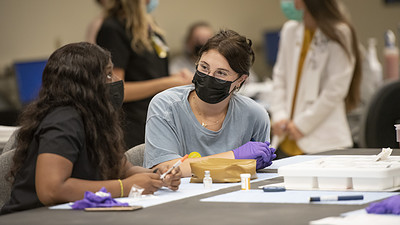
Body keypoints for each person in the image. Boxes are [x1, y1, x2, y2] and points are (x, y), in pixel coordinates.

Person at [0, 42, 181, 215]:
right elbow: (52, 190)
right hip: (34, 217)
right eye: (108, 75)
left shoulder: (96, 119)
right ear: (85, 85)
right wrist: (125, 187)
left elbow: (122, 169)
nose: (117, 81)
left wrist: (157, 177)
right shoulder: (63, 121)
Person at [144, 30, 276, 177]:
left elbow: (256, 174)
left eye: (221, 73)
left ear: (240, 80)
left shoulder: (254, 115)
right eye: (204, 67)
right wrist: (234, 157)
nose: (209, 77)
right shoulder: (165, 106)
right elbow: (164, 170)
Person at [270, 0, 362, 157]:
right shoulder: (290, 30)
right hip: (286, 138)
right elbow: (280, 77)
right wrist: (279, 115)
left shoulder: (340, 32)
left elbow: (335, 90)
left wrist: (302, 125)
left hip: (324, 140)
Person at [96, 0, 193, 149]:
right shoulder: (113, 29)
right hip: (133, 125)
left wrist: (177, 77)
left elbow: (149, 71)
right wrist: (168, 82)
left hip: (157, 117)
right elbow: (116, 91)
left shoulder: (148, 27)